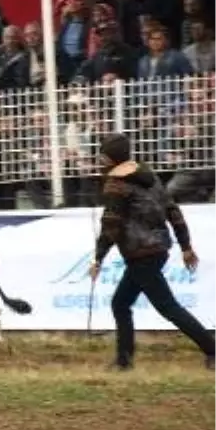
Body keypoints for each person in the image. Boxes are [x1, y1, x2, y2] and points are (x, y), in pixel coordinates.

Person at [89, 134, 216, 372]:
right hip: (158, 250)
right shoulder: (150, 177)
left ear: (112, 159)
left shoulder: (116, 184)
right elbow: (173, 211)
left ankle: (212, 350)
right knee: (121, 303)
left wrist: (98, 258)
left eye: (102, 157)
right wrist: (186, 246)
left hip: (141, 254)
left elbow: (111, 226)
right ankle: (124, 361)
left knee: (167, 307)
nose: (100, 161)